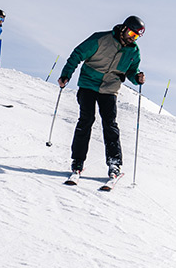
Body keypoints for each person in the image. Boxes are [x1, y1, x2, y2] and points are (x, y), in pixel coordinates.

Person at [57, 15, 146, 179]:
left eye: (137, 37)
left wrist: (137, 78)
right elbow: (77, 54)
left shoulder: (133, 51)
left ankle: (114, 163)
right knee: (86, 120)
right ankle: (78, 161)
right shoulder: (100, 39)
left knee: (110, 125)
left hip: (110, 88)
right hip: (88, 84)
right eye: (132, 35)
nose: (133, 39)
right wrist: (66, 75)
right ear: (124, 28)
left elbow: (132, 71)